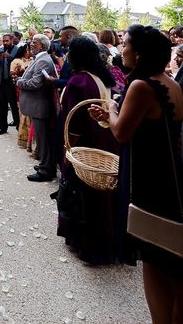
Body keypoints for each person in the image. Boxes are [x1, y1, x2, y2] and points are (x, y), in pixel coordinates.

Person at [89, 25, 183, 323]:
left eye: (126, 44)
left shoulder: (141, 86)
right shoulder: (170, 82)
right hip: (172, 177)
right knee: (174, 266)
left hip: (151, 184)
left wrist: (112, 109)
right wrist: (115, 113)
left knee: (154, 263)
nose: (122, 48)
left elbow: (121, 132)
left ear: (140, 52)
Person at [56, 37, 119, 265]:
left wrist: (67, 149)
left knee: (81, 193)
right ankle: (106, 241)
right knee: (101, 196)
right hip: (103, 138)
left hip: (83, 143)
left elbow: (74, 121)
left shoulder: (78, 82)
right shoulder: (99, 76)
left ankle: (87, 244)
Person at [16, 34, 58, 182]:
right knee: (42, 139)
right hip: (38, 106)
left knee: (44, 140)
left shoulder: (44, 60)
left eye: (34, 42)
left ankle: (46, 169)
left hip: (40, 106)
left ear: (42, 45)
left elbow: (35, 83)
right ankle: (45, 164)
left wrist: (19, 82)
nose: (31, 44)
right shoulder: (41, 59)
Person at [0, 33, 19, 135]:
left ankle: (19, 126)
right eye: (4, 41)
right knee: (1, 107)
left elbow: (19, 62)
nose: (5, 43)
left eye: (7, 41)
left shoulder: (18, 50)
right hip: (0, 82)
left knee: (14, 106)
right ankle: (3, 127)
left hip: (12, 83)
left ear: (12, 40)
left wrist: (9, 57)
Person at [10, 44, 32, 148]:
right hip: (20, 88)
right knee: (22, 112)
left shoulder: (34, 60)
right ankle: (23, 136)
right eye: (28, 50)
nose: (30, 51)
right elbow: (12, 74)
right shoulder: (16, 61)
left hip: (32, 89)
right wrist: (20, 71)